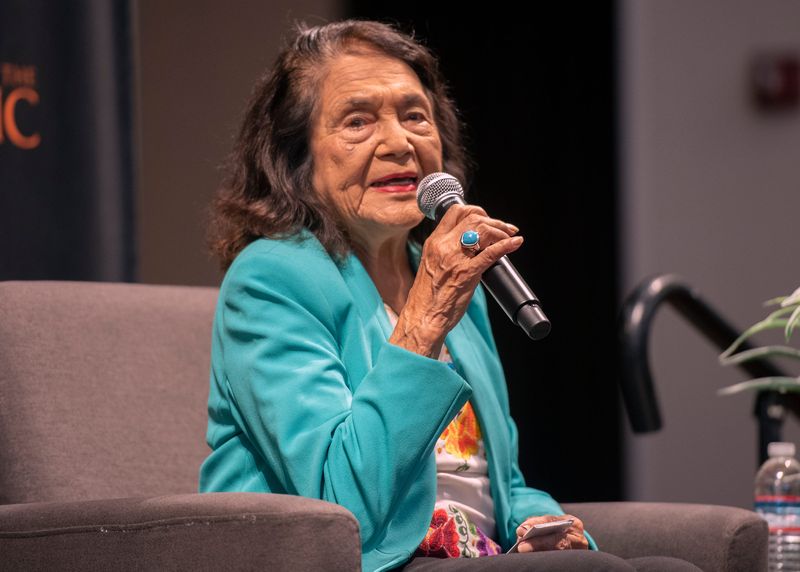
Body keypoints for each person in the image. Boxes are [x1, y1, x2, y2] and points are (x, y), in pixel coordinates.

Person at [198, 19, 700, 572]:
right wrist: (425, 319)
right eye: (358, 121)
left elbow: (501, 483)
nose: (400, 143)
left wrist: (542, 524)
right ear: (297, 159)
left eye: (415, 116)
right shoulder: (274, 278)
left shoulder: (452, 279)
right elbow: (341, 505)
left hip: (476, 556)